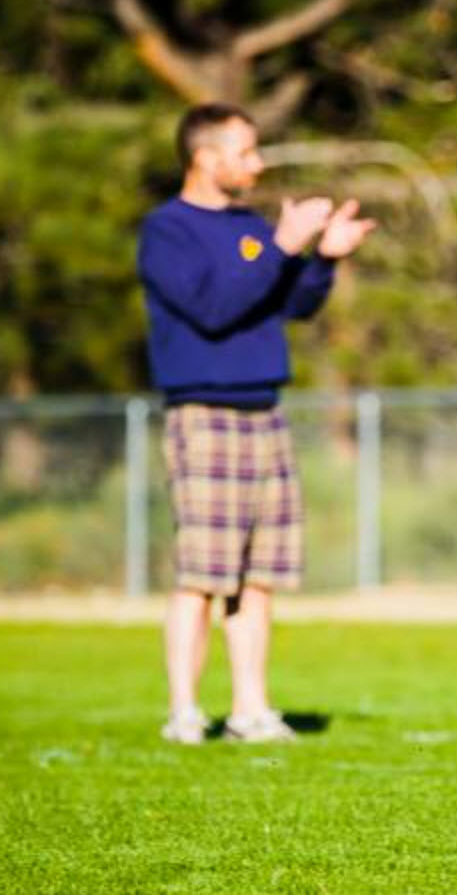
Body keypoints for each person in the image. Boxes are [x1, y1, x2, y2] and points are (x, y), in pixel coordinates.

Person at [138, 103, 375, 744]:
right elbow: (214, 308)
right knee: (202, 574)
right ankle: (185, 710)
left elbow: (290, 302)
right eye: (246, 152)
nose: (258, 163)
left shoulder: (249, 228)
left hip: (264, 413)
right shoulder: (168, 230)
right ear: (205, 158)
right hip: (205, 414)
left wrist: (323, 258)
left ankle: (250, 709)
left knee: (258, 574)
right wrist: (281, 245)